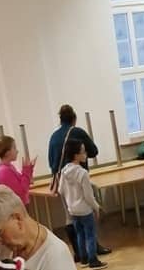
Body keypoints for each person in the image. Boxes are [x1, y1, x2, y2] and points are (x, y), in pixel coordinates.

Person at [47, 104, 110, 258]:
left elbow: (51, 161)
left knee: (70, 216)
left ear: (60, 119)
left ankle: (78, 252)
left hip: (62, 178)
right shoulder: (77, 132)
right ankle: (93, 249)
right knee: (88, 213)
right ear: (74, 119)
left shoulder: (54, 136)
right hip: (78, 176)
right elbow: (94, 151)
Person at [58, 139, 106, 270]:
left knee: (80, 234)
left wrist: (70, 200)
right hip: (85, 210)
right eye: (83, 152)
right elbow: (88, 196)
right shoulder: (82, 173)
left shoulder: (64, 171)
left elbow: (60, 190)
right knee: (90, 234)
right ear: (76, 155)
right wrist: (96, 207)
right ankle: (93, 260)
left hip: (73, 210)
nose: (86, 154)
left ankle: (83, 258)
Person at [0, 135, 36, 206]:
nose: (17, 151)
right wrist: (26, 170)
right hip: (15, 208)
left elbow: (25, 182)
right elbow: (22, 190)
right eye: (14, 148)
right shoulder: (4, 171)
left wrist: (29, 169)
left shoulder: (9, 167)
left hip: (19, 206)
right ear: (7, 152)